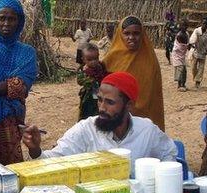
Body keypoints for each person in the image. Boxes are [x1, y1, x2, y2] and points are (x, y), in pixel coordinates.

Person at [23, 72, 177, 178]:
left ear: (129, 105)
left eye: (110, 102)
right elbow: (54, 161)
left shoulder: (147, 131)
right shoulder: (86, 129)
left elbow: (169, 156)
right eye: (100, 99)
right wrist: (36, 150)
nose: (102, 108)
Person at [0, 0, 37, 165]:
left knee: (10, 170)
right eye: (2, 18)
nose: (6, 23)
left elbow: (19, 88)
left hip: (9, 121)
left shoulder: (27, 53)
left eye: (12, 19)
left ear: (19, 21)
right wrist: (3, 87)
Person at [103, 16, 165, 131]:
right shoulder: (110, 59)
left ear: (142, 35)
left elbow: (153, 97)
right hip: (115, 118)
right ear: (120, 34)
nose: (131, 38)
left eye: (136, 33)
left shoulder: (150, 60)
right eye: (127, 33)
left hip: (144, 119)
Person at [76, 43, 108, 120]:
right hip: (88, 96)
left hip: (101, 94)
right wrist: (92, 78)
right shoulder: (83, 70)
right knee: (87, 112)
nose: (93, 62)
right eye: (89, 60)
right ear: (83, 59)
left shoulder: (101, 66)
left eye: (96, 58)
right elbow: (80, 81)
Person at [189, 18, 207, 89]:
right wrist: (192, 44)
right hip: (196, 51)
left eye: (206, 24)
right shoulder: (197, 31)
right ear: (201, 23)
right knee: (193, 67)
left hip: (203, 52)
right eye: (203, 23)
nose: (204, 25)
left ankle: (197, 82)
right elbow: (192, 39)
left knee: (201, 68)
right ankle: (195, 77)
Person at [172, 20, 189, 91]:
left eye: (185, 26)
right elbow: (182, 46)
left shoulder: (186, 34)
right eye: (182, 25)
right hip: (177, 54)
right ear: (180, 26)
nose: (184, 27)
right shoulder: (180, 35)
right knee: (180, 69)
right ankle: (180, 85)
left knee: (184, 70)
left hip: (182, 54)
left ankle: (183, 84)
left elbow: (186, 45)